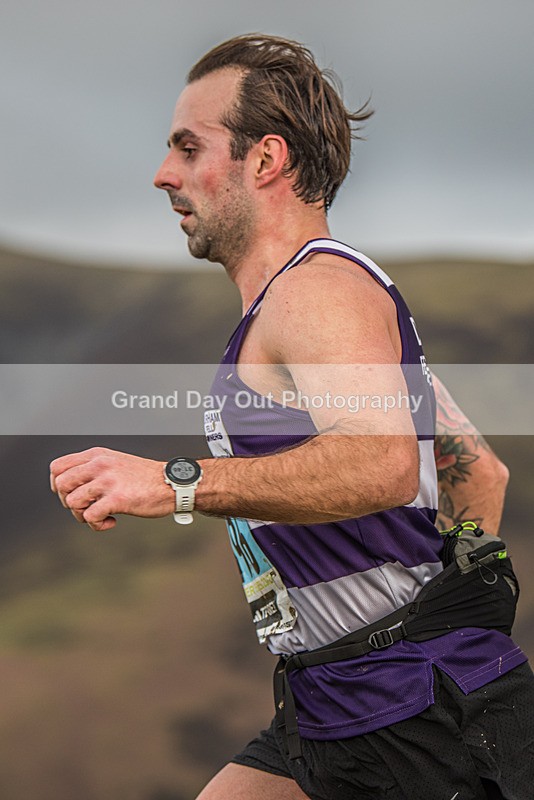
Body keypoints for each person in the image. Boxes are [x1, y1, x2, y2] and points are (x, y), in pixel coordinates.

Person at [49, 34, 533, 800]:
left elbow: (380, 461)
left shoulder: (317, 293)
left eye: (187, 147)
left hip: (408, 715)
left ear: (266, 160)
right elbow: (478, 470)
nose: (163, 174)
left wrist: (173, 483)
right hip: (331, 696)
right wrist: (459, 590)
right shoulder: (307, 302)